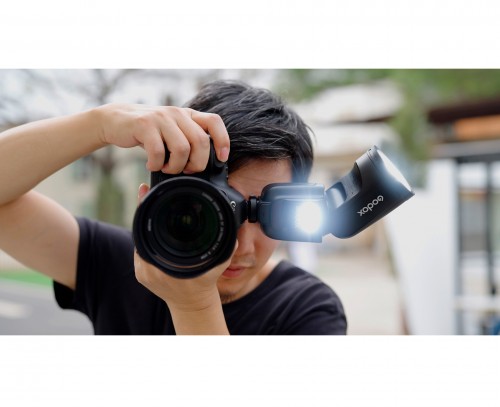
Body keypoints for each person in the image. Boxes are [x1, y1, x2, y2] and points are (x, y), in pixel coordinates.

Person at [0, 80, 347, 335]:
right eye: (216, 210)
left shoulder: (307, 309)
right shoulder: (121, 264)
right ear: (159, 197)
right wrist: (99, 124)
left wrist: (192, 304)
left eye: (266, 213)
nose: (239, 246)